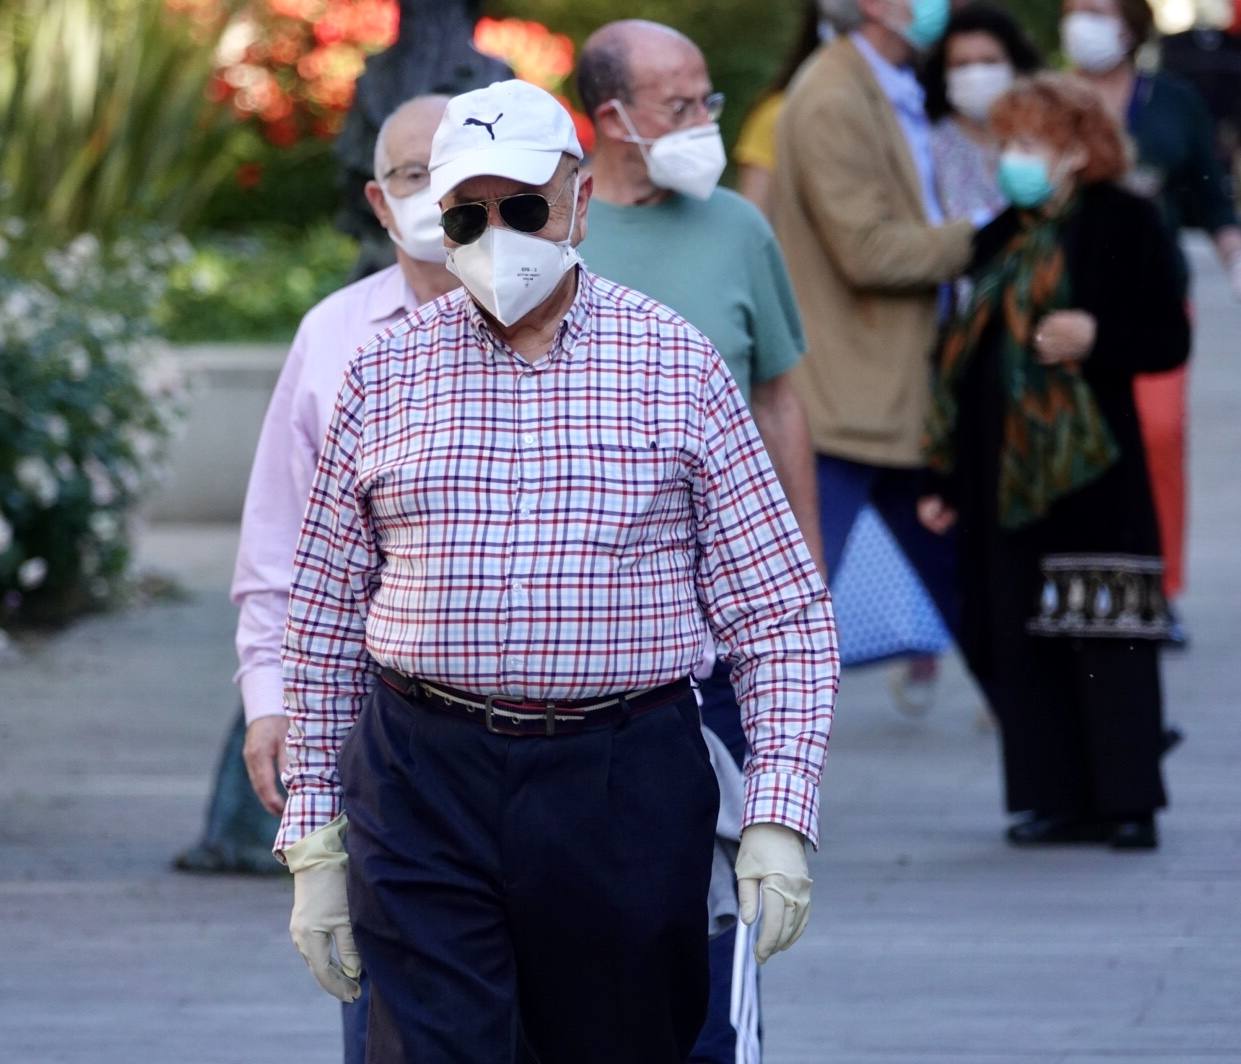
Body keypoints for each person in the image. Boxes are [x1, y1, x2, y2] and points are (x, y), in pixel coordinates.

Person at [277, 79, 838, 1064]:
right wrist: (314, 836)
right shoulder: (380, 368)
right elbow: (323, 616)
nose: (497, 235)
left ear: (578, 202)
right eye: (465, 214)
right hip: (419, 773)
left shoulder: (677, 364)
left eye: (523, 207)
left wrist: (778, 813)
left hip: (619, 778)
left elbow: (778, 616)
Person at [575, 20, 822, 1062]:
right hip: (580, 644)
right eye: (678, 106)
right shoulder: (548, 237)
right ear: (609, 121)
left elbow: (779, 400)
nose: (701, 123)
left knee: (714, 894)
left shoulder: (734, 229)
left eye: (706, 99)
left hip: (717, 634)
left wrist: (803, 576)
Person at [231, 94, 458, 1063]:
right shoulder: (335, 337)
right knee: (388, 1002)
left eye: (455, 170)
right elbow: (277, 543)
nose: (437, 193)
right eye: (413, 175)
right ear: (378, 199)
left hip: (564, 733)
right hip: (377, 724)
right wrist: (268, 697)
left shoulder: (605, 332)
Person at [920, 73, 1190, 850]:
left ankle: (1128, 800)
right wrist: (943, 477)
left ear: (1076, 149)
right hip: (1001, 476)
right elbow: (962, 360)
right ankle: (1057, 799)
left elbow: (1167, 339)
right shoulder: (1002, 232)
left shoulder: (1124, 220)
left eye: (1028, 143)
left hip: (1090, 471)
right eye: (1005, 143)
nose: (1013, 159)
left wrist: (1096, 337)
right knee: (1023, 638)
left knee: (1107, 633)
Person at [771, 0, 974, 660]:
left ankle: (1067, 746)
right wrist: (991, 237)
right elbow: (867, 251)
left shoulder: (891, 82)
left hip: (895, 393)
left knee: (973, 595)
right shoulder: (833, 95)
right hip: (847, 401)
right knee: (785, 616)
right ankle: (729, 756)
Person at [1062, 0, 1241, 618]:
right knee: (1074, 438)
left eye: (1097, 8)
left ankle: (1161, 589)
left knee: (1159, 435)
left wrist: (1232, 252)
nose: (1082, 19)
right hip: (1064, 299)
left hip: (1152, 293)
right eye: (1074, 7)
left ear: (1129, 22)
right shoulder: (1051, 97)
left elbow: (1211, 196)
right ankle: (1081, 584)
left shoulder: (1172, 100)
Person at [921, 2, 1042, 223]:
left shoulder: (1043, 134)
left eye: (989, 61)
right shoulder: (927, 145)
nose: (976, 74)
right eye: (961, 64)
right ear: (944, 74)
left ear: (1014, 65)